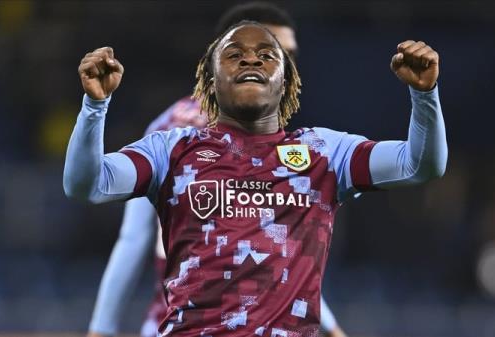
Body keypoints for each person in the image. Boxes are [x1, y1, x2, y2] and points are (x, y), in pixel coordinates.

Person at [66, 20, 446, 337]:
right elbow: (87, 184)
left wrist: (424, 95)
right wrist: (94, 106)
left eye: (267, 56)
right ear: (210, 82)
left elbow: (420, 165)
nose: (251, 58)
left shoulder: (326, 153)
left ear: (285, 83)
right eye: (234, 54)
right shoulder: (171, 150)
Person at [85, 3, 346, 337]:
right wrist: (101, 328)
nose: (286, 64)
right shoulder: (181, 136)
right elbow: (133, 237)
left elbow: (269, 252)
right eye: (275, 51)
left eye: (289, 54)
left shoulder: (266, 135)